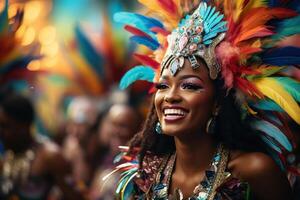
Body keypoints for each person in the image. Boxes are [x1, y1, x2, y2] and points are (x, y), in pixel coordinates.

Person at [105, 0, 300, 199]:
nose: (171, 96)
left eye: (189, 85)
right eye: (163, 86)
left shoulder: (253, 171)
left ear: (217, 104)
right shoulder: (145, 174)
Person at [0, 92, 85, 200]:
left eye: (5, 126)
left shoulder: (50, 156)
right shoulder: (8, 155)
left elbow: (76, 196)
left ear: (23, 126)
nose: (1, 132)